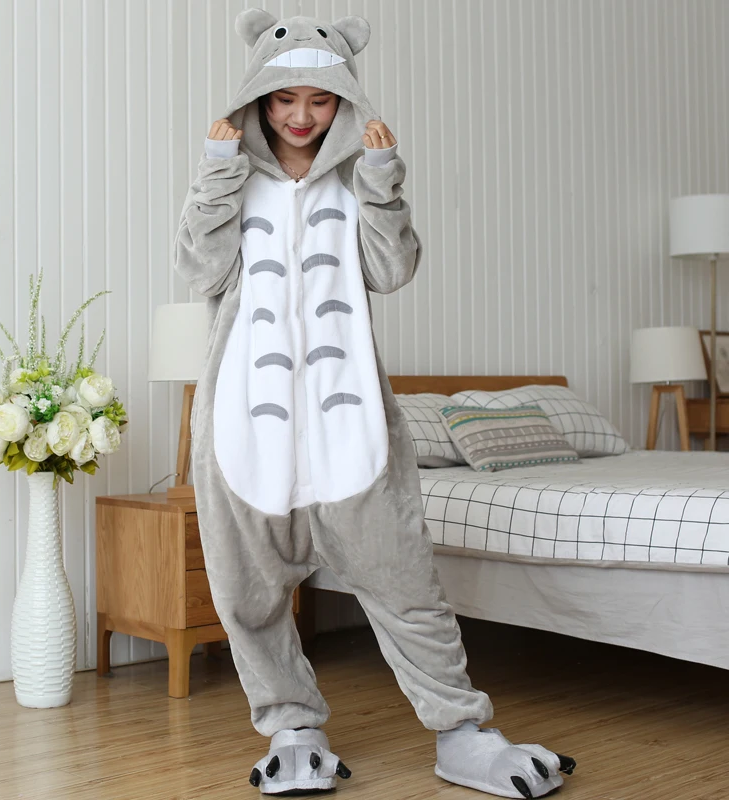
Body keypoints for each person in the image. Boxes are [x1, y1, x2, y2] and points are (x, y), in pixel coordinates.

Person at [173, 9, 576, 799]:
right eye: (283, 99)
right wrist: (215, 172)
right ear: (257, 99)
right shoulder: (236, 177)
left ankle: (462, 734)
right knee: (247, 596)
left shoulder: (359, 178)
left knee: (405, 585)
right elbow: (200, 270)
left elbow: (392, 272)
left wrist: (384, 183)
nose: (300, 116)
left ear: (344, 102)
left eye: (319, 101)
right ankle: (292, 730)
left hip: (349, 422)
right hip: (244, 424)